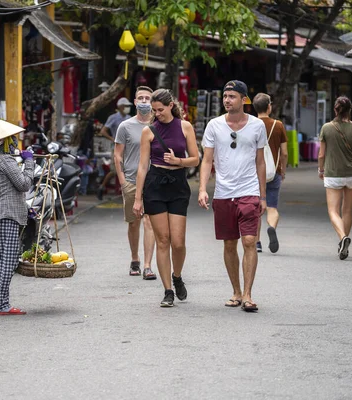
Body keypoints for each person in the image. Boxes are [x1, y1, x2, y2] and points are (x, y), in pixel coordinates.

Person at [198, 80, 266, 313]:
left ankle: (248, 295)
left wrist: (263, 196)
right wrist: (202, 189)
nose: (227, 100)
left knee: (249, 241)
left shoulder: (257, 126)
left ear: (244, 99)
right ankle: (236, 291)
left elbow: (260, 161)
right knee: (229, 243)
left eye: (232, 96)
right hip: (223, 193)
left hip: (249, 191)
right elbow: (207, 160)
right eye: (225, 96)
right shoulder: (214, 126)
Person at [133, 89, 200, 307]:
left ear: (171, 105)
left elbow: (195, 160)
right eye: (154, 110)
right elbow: (142, 167)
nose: (157, 114)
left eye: (160, 110)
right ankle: (167, 290)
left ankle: (177, 276)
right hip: (155, 185)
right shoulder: (148, 131)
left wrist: (178, 161)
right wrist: (137, 198)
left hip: (178, 184)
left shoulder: (185, 127)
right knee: (163, 240)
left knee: (178, 242)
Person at [0, 118, 35, 316]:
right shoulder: (5, 160)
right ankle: (2, 304)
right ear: (4, 142)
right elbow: (24, 184)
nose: (14, 144)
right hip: (6, 216)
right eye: (11, 140)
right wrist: (29, 162)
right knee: (8, 260)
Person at [318, 96, 352, 260]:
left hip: (333, 175)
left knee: (333, 211)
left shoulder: (326, 128)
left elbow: (321, 154)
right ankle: (344, 243)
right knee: (347, 210)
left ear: (335, 110)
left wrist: (321, 169)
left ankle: (343, 238)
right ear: (350, 110)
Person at [114, 86, 157, 279]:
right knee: (134, 222)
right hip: (131, 181)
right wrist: (122, 181)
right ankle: (135, 259)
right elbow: (117, 155)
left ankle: (148, 265)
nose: (144, 101)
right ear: (135, 101)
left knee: (150, 221)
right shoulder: (125, 126)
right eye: (141, 98)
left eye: (148, 98)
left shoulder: (158, 125)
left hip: (154, 181)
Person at [252, 93, 288, 253]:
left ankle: (257, 243)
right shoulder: (278, 125)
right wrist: (283, 169)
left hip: (253, 174)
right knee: (272, 207)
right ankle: (271, 227)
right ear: (269, 107)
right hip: (274, 172)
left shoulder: (250, 124)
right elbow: (285, 152)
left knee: (256, 208)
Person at [97, 97, 132, 200]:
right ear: (120, 107)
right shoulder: (113, 117)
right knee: (114, 170)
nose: (127, 108)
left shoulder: (129, 117)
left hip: (128, 147)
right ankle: (101, 187)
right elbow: (103, 131)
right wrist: (113, 139)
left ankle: (127, 192)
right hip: (117, 147)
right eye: (126, 106)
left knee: (129, 169)